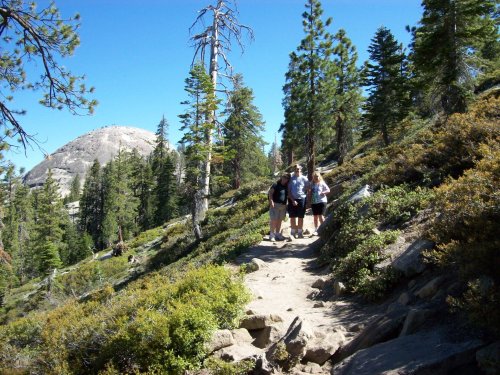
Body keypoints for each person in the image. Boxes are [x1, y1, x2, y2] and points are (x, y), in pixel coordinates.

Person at [288, 164, 309, 238]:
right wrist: (293, 200)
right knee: (292, 216)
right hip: (292, 199)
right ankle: (293, 233)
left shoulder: (304, 178)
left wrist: (307, 199)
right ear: (294, 170)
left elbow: (308, 188)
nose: (297, 169)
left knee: (301, 216)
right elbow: (289, 191)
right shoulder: (291, 179)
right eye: (296, 168)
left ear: (301, 169)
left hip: (302, 199)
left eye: (298, 168)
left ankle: (300, 233)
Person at [268, 173, 290, 241]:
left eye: (286, 178)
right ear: (281, 177)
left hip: (283, 206)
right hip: (275, 205)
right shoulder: (275, 184)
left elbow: (288, 195)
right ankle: (272, 235)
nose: (285, 179)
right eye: (284, 177)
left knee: (280, 220)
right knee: (274, 220)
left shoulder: (286, 186)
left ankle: (277, 234)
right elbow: (270, 193)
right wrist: (271, 201)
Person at [310, 171, 330, 236]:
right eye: (315, 177)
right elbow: (309, 191)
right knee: (315, 217)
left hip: (322, 201)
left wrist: (323, 193)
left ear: (319, 177)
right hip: (314, 202)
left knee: (321, 216)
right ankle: (316, 230)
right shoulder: (312, 184)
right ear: (313, 177)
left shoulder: (322, 183)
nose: (316, 178)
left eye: (317, 176)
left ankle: (323, 229)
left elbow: (328, 190)